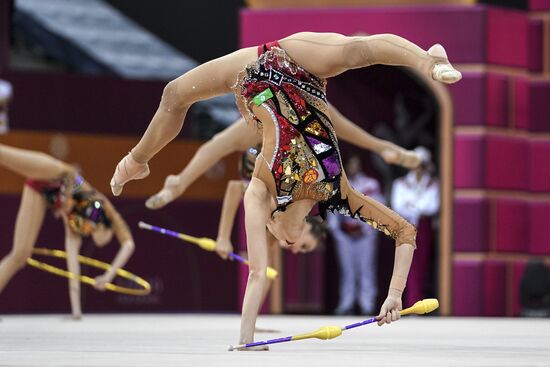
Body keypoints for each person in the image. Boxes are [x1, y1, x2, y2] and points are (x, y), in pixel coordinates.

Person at [109, 32, 461, 349]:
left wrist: (245, 339)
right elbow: (404, 232)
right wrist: (394, 295)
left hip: (251, 70)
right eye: (296, 244)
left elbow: (258, 272)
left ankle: (136, 162)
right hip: (296, 63)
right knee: (357, 50)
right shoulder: (337, 193)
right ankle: (428, 59)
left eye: (276, 238)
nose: (283, 243)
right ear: (308, 226)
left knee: (174, 93)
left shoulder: (262, 189)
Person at [0, 144, 135, 320]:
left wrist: (77, 312)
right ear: (109, 230)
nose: (101, 243)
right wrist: (110, 274)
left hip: (41, 192)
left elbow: (73, 269)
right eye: (107, 238)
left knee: (20, 255)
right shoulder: (104, 209)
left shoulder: (77, 228)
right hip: (57, 173)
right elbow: (128, 244)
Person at [328, 156, 384, 316]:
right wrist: (336, 231)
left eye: (356, 164)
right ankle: (346, 303)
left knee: (366, 269)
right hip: (345, 234)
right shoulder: (338, 185)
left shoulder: (370, 184)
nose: (353, 167)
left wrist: (370, 231)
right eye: (350, 165)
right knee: (347, 270)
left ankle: (367, 304)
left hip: (365, 234)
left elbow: (377, 207)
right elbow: (332, 209)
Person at [391, 146, 440, 305]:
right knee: (406, 264)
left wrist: (412, 206)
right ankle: (411, 301)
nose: (418, 168)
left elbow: (432, 206)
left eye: (421, 164)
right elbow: (397, 205)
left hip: (424, 227)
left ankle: (418, 302)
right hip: (405, 226)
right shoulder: (401, 183)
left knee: (422, 264)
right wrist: (417, 207)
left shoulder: (432, 183)